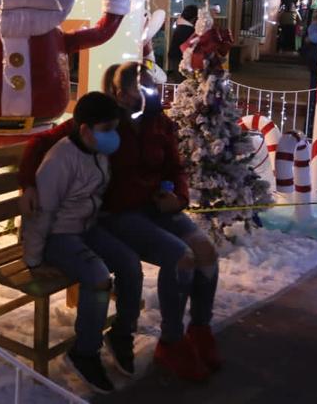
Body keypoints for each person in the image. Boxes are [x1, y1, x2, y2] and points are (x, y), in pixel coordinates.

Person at [19, 62, 220, 382]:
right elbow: (43, 145)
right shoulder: (103, 121)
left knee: (206, 251)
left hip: (158, 208)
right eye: (119, 90)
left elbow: (175, 168)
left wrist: (179, 197)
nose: (125, 96)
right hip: (120, 214)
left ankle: (200, 328)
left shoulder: (157, 120)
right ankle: (171, 340)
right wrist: (28, 183)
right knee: (180, 258)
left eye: (132, 89)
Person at [21, 91, 141, 393]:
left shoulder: (98, 152)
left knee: (130, 264)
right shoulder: (61, 159)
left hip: (86, 228)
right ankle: (84, 352)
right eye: (107, 129)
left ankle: (122, 333)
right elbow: (41, 214)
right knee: (98, 277)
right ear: (85, 129)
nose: (113, 135)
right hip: (57, 237)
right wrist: (33, 260)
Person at [168, 5, 198, 81]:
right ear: (194, 17)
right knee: (183, 80)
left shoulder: (181, 26)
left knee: (179, 78)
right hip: (180, 57)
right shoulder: (188, 29)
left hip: (175, 56)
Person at [302, 9, 317, 89]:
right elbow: (315, 37)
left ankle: (312, 99)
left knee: (314, 78)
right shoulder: (316, 25)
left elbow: (311, 37)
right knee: (315, 78)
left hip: (314, 54)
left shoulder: (314, 25)